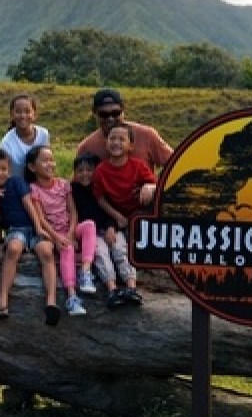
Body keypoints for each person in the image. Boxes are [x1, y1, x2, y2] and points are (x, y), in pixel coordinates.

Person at [23, 146, 92, 325]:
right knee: (67, 248)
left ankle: (85, 271)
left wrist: (70, 233)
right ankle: (71, 296)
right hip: (53, 233)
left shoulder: (63, 184)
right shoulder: (33, 189)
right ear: (32, 167)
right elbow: (41, 218)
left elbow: (73, 211)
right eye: (44, 161)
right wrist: (57, 237)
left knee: (89, 225)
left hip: (69, 229)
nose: (50, 164)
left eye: (51, 160)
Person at [92, 124, 156, 309]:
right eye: (112, 139)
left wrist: (148, 187)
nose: (116, 143)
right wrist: (116, 218)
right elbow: (100, 199)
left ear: (131, 146)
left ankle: (131, 288)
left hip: (138, 218)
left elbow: (153, 183)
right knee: (117, 248)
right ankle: (112, 290)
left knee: (129, 250)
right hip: (114, 219)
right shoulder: (101, 170)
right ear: (106, 143)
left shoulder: (137, 166)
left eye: (122, 139)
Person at [77, 88, 173, 173]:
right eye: (104, 114)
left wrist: (157, 187)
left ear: (123, 110)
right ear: (95, 113)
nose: (110, 119)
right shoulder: (86, 147)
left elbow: (175, 164)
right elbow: (78, 182)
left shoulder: (147, 135)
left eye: (115, 113)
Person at [0, 148, 28, 318]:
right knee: (13, 249)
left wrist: (39, 228)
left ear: (9, 170)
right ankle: (2, 301)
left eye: (3, 169)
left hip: (33, 228)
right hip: (15, 231)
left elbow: (30, 207)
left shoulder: (16, 182)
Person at [71, 153, 112, 296]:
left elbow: (109, 211)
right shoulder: (72, 189)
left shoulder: (102, 188)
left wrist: (110, 226)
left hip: (103, 229)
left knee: (119, 249)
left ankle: (130, 286)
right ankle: (110, 288)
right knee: (100, 251)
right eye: (80, 171)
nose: (84, 174)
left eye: (89, 170)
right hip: (82, 232)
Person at [0, 94, 50, 179]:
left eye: (27, 111)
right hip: (18, 186)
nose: (23, 116)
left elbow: (48, 161)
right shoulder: (6, 143)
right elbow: (6, 173)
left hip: (41, 183)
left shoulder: (43, 134)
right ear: (12, 115)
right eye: (18, 112)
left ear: (34, 114)